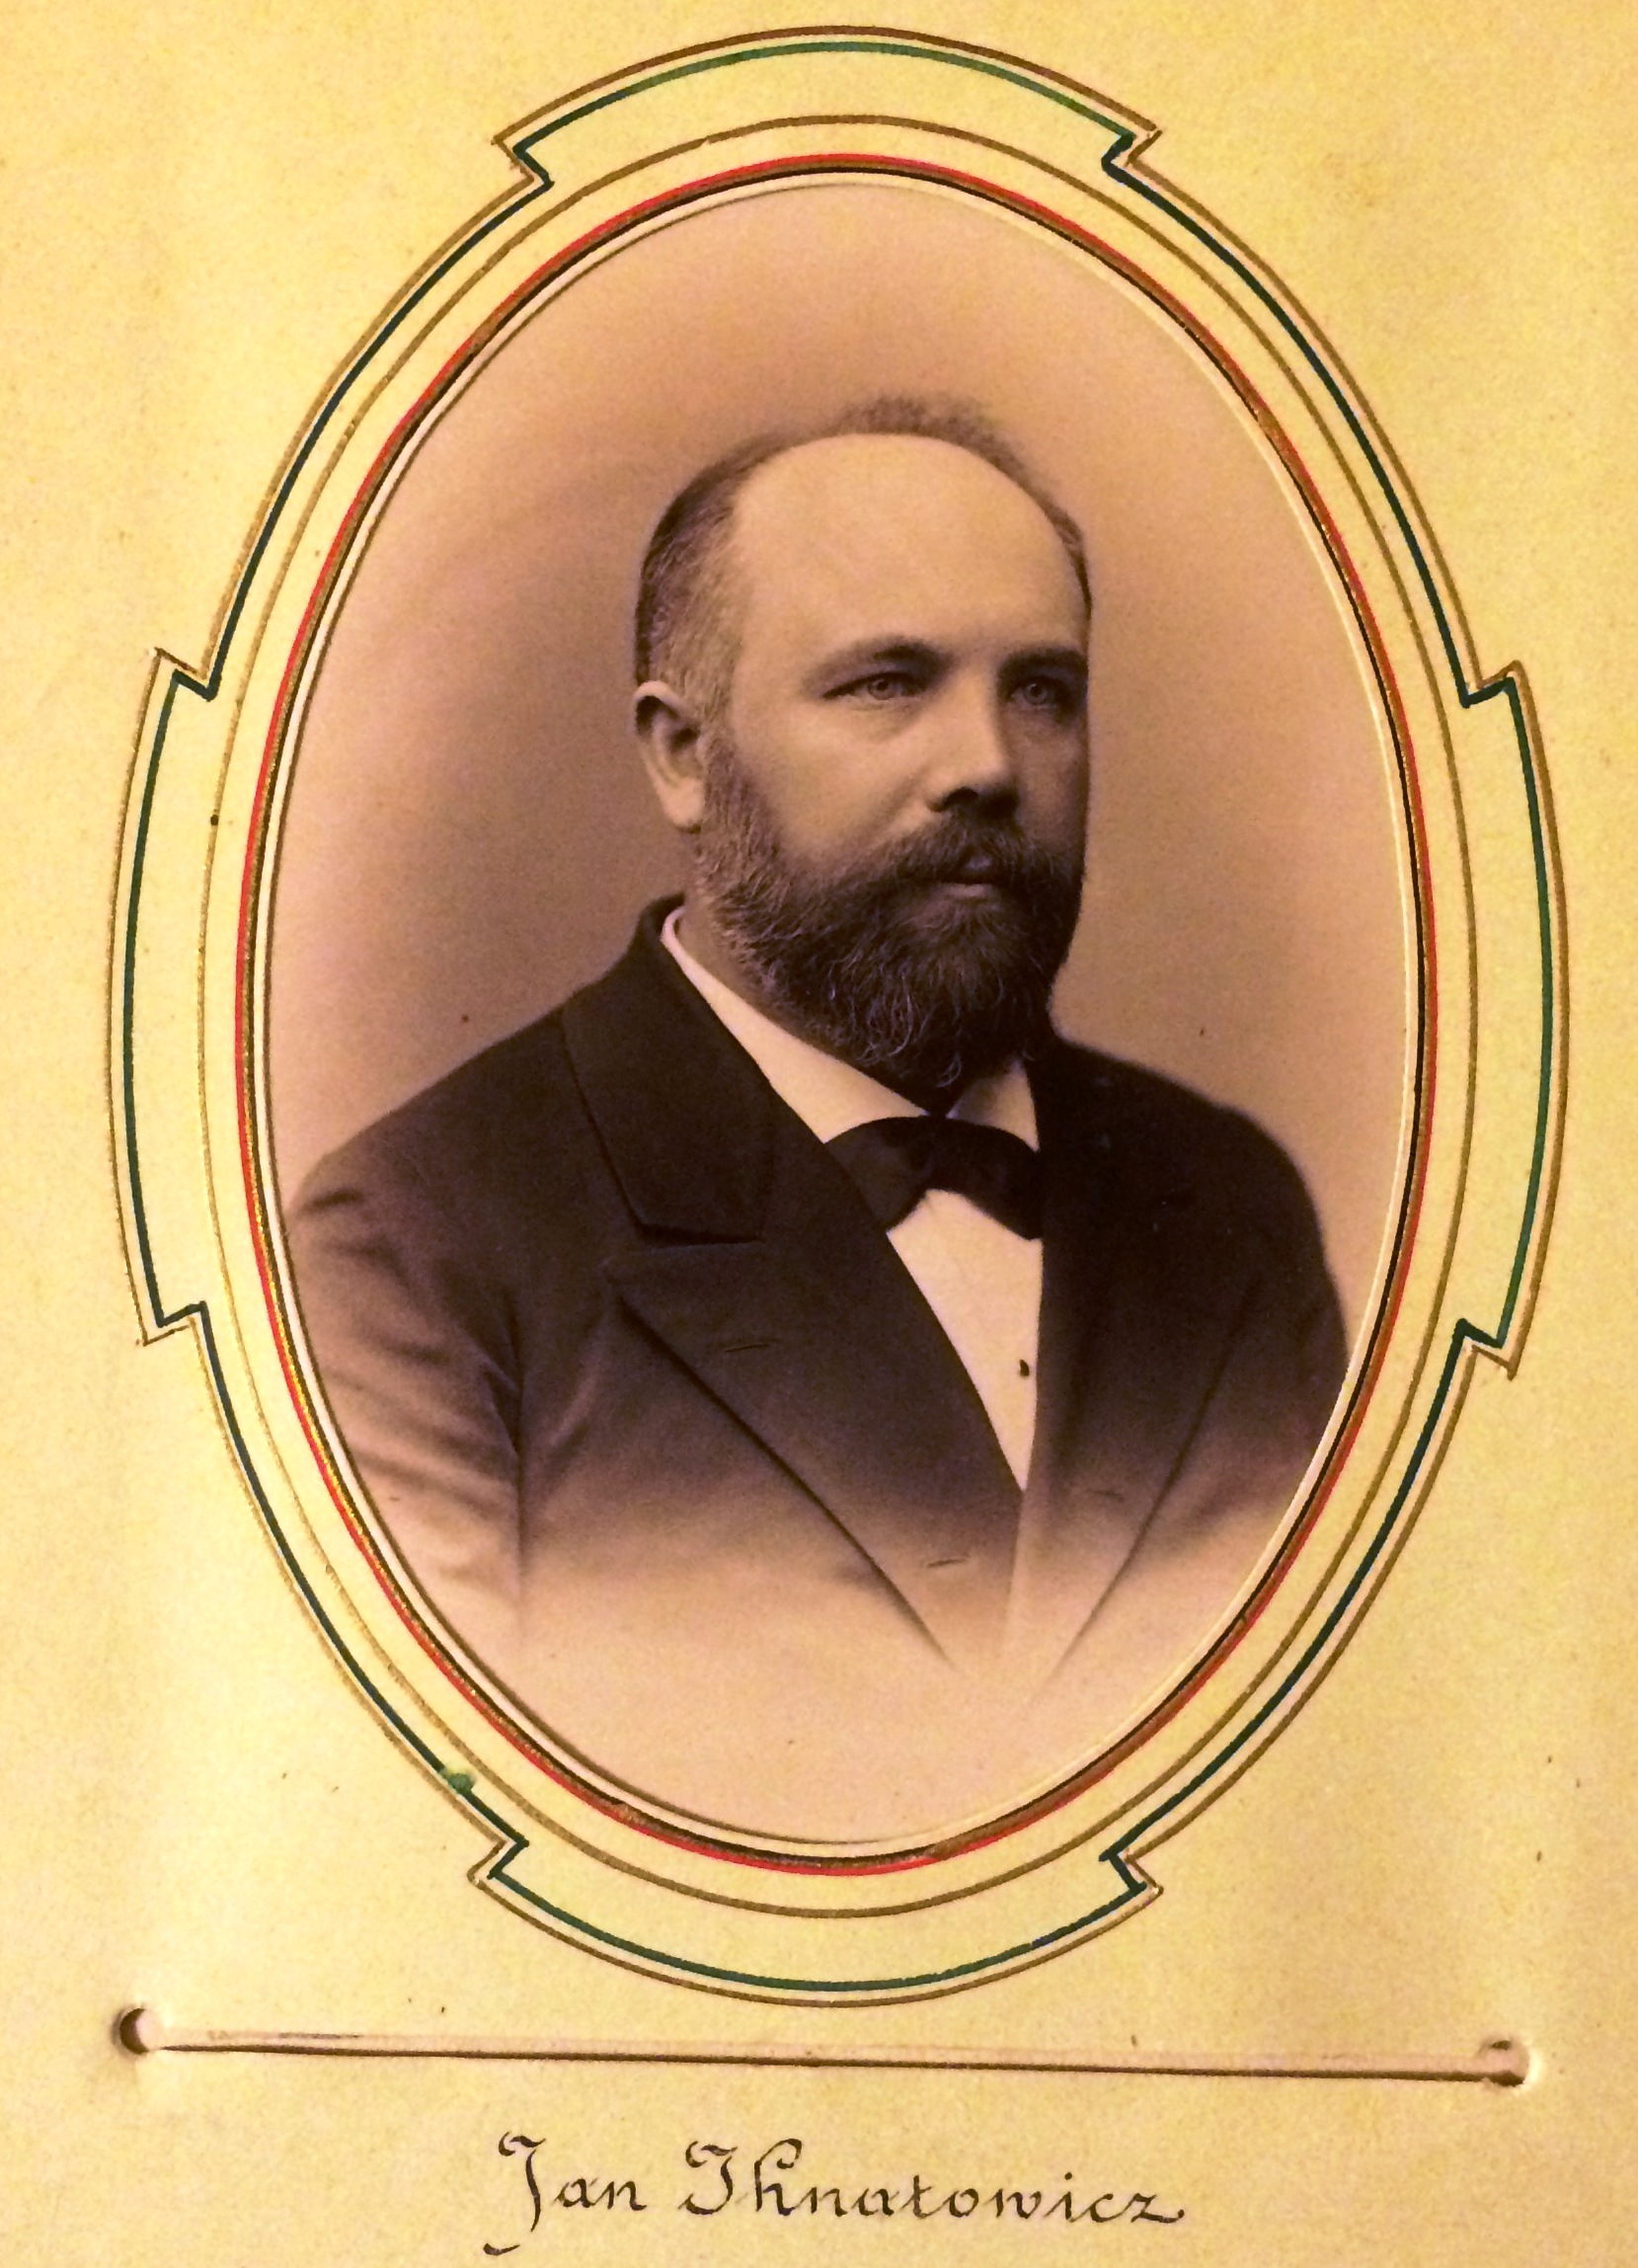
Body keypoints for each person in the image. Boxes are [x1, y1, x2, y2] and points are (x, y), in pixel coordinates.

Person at [287, 398, 1346, 1839]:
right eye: (887, 683)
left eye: (1042, 690)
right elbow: (418, 1843)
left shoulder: (1228, 1207)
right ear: (682, 755)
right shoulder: (413, 1248)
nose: (988, 763)